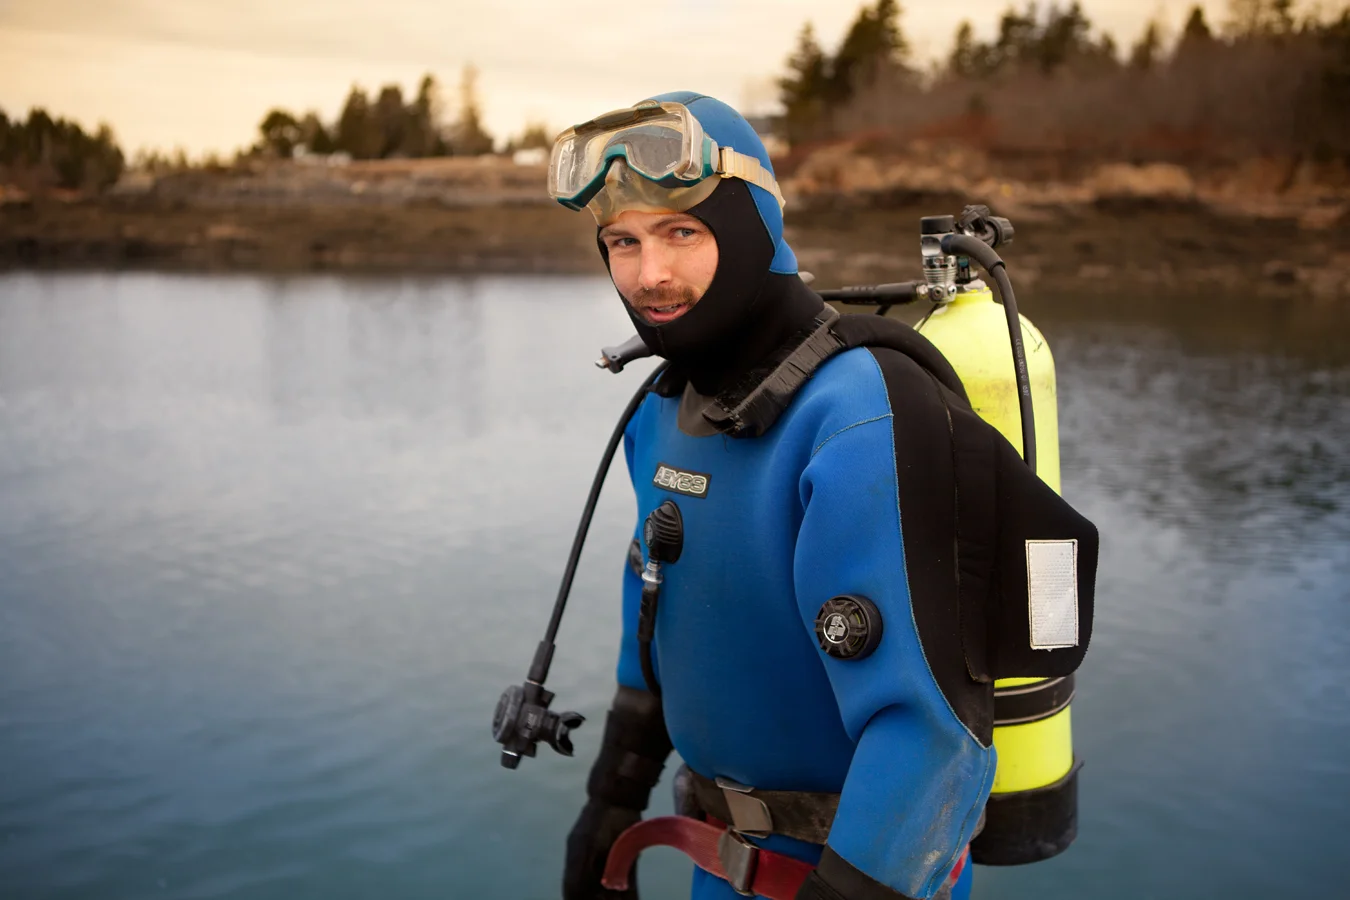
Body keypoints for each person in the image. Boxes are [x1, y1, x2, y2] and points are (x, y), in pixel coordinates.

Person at [549, 92, 1095, 900]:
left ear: (750, 229)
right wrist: (610, 804)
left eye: (681, 233)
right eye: (622, 243)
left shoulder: (860, 414)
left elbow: (930, 736)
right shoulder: (660, 411)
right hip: (717, 862)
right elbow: (653, 617)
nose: (649, 275)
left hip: (864, 875)